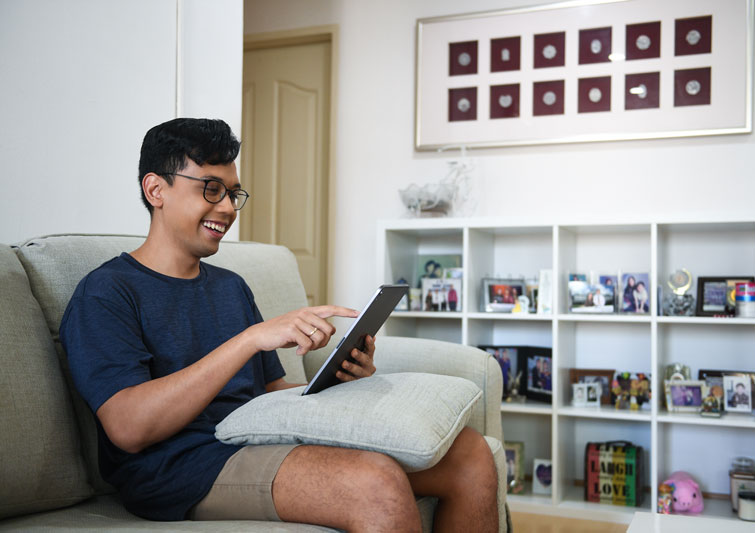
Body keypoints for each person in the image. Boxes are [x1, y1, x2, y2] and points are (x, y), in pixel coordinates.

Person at [59, 118, 498, 532]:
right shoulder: (106, 292)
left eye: (234, 193)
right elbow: (129, 428)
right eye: (212, 189)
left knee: (469, 454)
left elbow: (269, 396)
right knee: (373, 482)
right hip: (177, 467)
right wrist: (249, 340)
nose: (228, 208)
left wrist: (345, 380)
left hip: (252, 441)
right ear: (156, 189)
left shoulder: (230, 287)